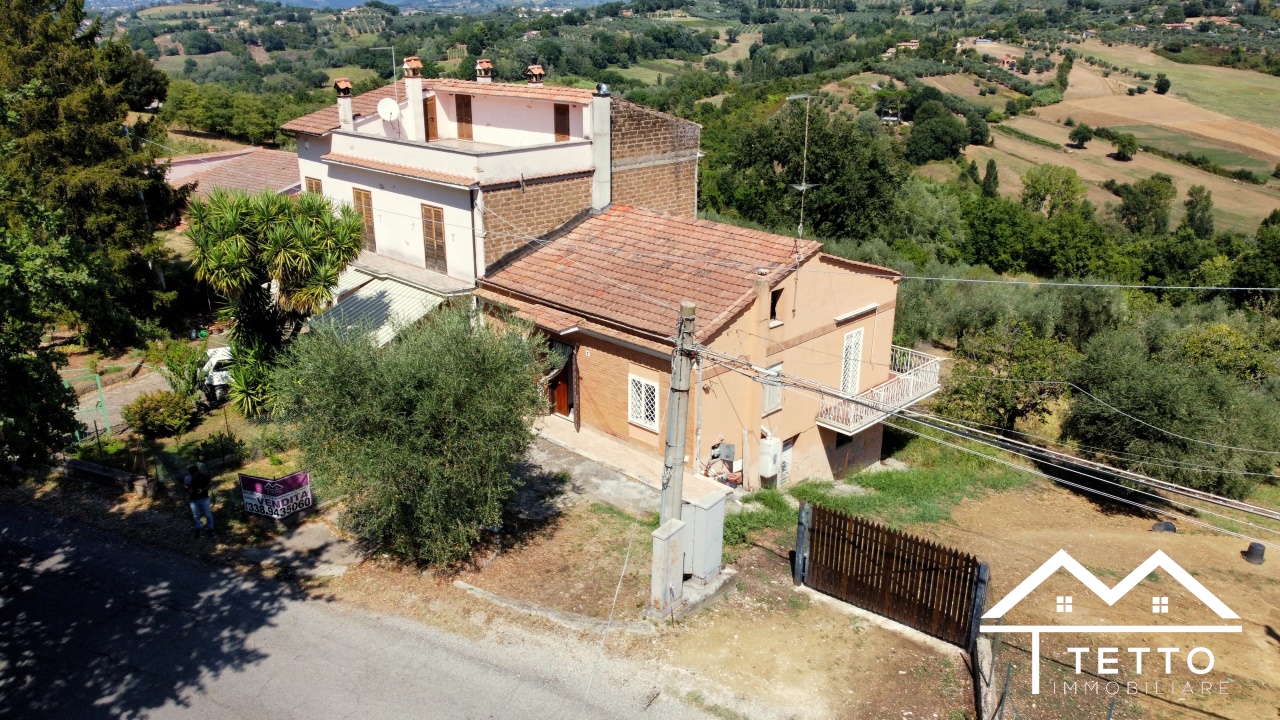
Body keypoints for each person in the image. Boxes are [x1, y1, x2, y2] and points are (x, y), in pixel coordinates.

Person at [184, 465, 215, 537]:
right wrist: (189, 489)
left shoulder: (203, 477)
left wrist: (203, 489)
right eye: (191, 473)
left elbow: (209, 485)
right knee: (196, 516)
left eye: (194, 473)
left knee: (208, 515)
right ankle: (198, 528)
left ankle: (211, 529)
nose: (193, 474)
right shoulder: (187, 478)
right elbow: (185, 486)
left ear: (197, 472)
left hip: (204, 498)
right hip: (193, 500)